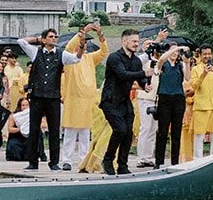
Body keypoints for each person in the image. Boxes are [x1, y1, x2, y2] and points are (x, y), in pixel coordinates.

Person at [17, 27, 82, 171]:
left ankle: (54, 162)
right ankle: (33, 162)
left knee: (54, 130)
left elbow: (76, 58)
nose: (54, 39)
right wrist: (37, 40)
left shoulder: (61, 54)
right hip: (37, 96)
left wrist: (82, 48)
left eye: (55, 36)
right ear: (45, 39)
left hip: (53, 97)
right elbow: (20, 41)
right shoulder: (36, 52)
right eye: (51, 36)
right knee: (34, 129)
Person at [100, 28, 156, 174]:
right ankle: (107, 159)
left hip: (125, 101)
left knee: (128, 134)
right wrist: (144, 73)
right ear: (124, 41)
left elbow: (139, 79)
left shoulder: (136, 61)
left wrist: (145, 84)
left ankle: (122, 166)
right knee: (120, 130)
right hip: (110, 100)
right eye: (133, 41)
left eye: (137, 41)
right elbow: (123, 74)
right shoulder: (114, 58)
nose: (136, 44)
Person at [59, 25, 105, 168]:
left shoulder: (90, 58)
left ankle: (84, 159)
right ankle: (66, 160)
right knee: (70, 131)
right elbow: (67, 48)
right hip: (73, 99)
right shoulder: (69, 59)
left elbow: (104, 52)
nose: (81, 47)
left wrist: (99, 34)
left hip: (88, 100)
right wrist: (83, 32)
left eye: (83, 45)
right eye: (79, 45)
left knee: (86, 132)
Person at [187, 44, 213, 160]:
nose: (207, 56)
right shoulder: (195, 69)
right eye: (204, 54)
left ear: (212, 55)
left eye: (209, 54)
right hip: (201, 106)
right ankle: (198, 159)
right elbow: (194, 86)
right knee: (199, 134)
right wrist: (204, 74)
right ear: (200, 55)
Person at [153, 42, 189, 166]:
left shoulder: (180, 65)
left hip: (178, 98)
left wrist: (187, 62)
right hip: (165, 98)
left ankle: (175, 162)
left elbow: (188, 78)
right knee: (162, 131)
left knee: (176, 132)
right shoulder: (163, 64)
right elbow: (161, 60)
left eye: (176, 52)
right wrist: (177, 48)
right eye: (172, 51)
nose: (175, 54)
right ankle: (159, 161)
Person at [3, 96, 33, 162]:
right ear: (20, 106)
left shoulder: (33, 113)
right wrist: (21, 129)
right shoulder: (14, 115)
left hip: (29, 135)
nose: (25, 107)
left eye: (27, 105)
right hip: (17, 136)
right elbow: (10, 129)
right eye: (23, 105)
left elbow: (43, 124)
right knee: (14, 144)